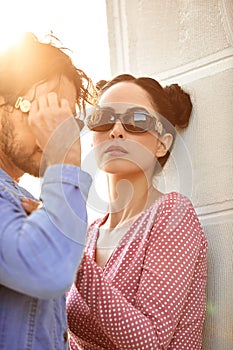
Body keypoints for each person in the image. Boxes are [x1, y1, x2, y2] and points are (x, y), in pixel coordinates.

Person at [67, 74, 208, 349]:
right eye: (103, 118)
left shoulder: (172, 215)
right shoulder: (89, 233)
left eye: (137, 121)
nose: (116, 130)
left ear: (162, 143)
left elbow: (149, 342)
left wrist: (75, 262)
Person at [0, 32, 94, 350]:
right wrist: (65, 160)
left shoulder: (21, 199)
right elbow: (48, 270)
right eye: (43, 110)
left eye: (63, 119)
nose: (55, 130)